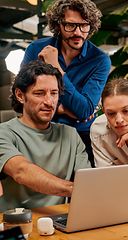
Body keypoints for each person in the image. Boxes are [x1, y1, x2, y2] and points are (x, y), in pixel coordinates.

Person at [21, 0, 111, 167]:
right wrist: (64, 109)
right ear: (58, 25)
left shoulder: (100, 60)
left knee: (83, 188)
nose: (78, 32)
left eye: (84, 25)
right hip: (40, 132)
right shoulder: (35, 49)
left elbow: (84, 109)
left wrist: (56, 67)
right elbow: (21, 99)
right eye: (70, 25)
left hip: (81, 136)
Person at [0, 60, 91, 211]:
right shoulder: (4, 133)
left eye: (54, 93)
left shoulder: (70, 135)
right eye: (39, 93)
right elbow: (21, 171)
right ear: (20, 95)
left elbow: (87, 180)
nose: (49, 102)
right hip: (15, 224)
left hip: (58, 220)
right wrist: (74, 189)